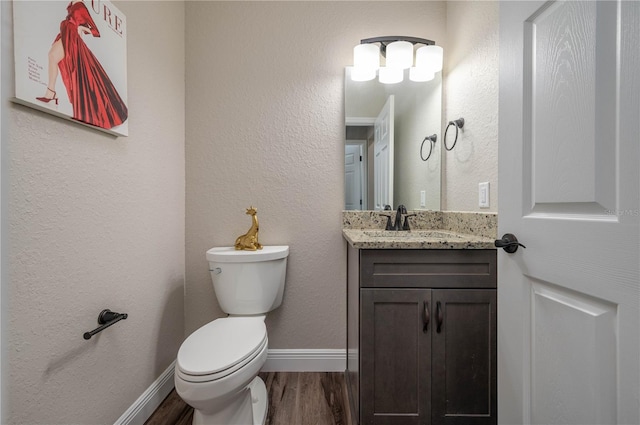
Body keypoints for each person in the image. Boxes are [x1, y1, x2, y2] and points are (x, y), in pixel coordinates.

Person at [36, 0, 128, 130]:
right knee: (53, 56)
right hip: (66, 36)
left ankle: (51, 93)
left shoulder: (80, 5)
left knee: (54, 57)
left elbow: (96, 31)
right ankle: (51, 93)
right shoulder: (73, 3)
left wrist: (80, 28)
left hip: (72, 39)